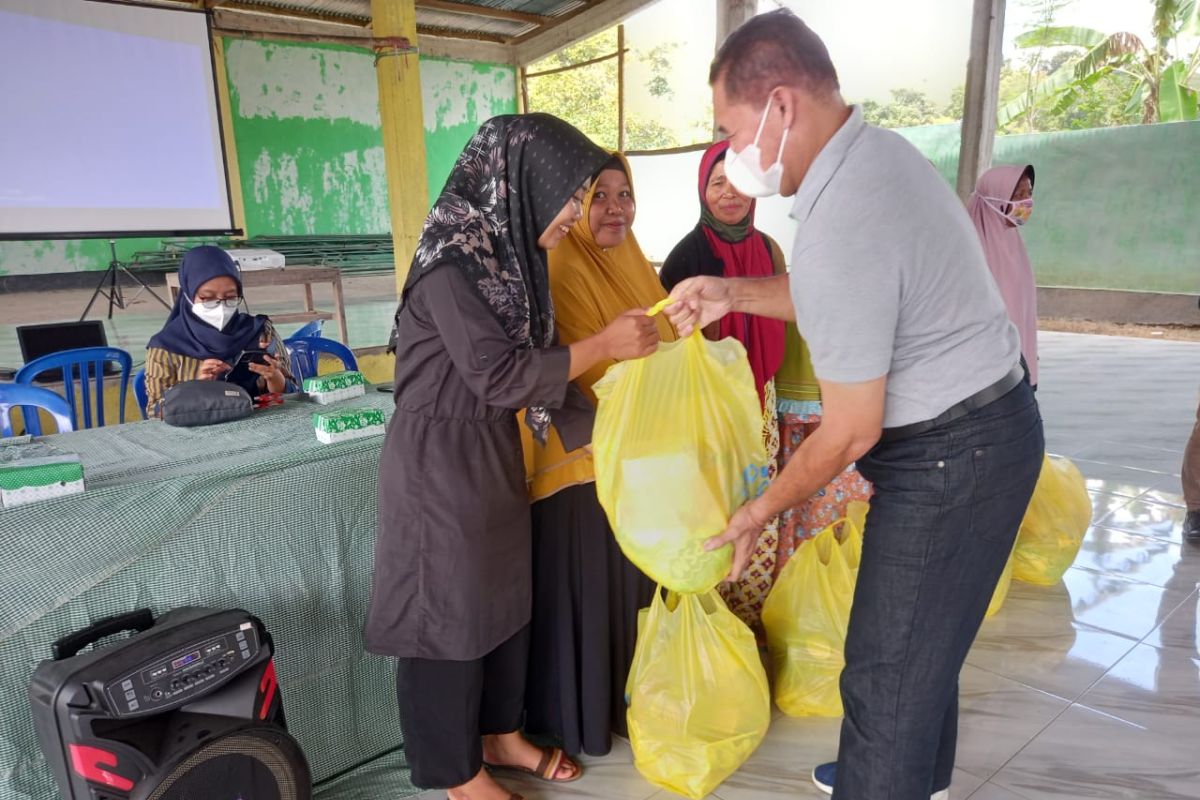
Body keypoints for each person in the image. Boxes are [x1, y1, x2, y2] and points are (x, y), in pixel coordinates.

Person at [664, 10, 1044, 800]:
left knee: (884, 674)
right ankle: (910, 777)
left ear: (781, 105)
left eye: (732, 132)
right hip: (984, 434)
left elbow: (847, 430)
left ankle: (884, 778)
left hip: (953, 455)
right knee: (920, 651)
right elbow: (847, 298)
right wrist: (730, 291)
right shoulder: (878, 159)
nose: (734, 162)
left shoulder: (846, 212)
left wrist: (756, 511)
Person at [364, 115, 659, 800]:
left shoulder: (511, 264)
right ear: (517, 186)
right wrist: (606, 346)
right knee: (445, 611)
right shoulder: (451, 265)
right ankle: (455, 772)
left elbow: (531, 379)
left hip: (493, 449)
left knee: (502, 600)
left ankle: (499, 732)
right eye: (569, 197)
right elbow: (500, 375)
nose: (574, 215)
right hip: (439, 459)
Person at [660, 140, 871, 629]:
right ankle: (710, 620)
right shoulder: (686, 257)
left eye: (738, 183)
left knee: (756, 500)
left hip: (762, 396)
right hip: (708, 408)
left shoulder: (768, 248)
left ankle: (751, 617)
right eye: (717, 183)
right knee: (712, 508)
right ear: (702, 191)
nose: (729, 194)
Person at [521, 152, 673, 757]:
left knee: (627, 588)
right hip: (578, 461)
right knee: (587, 587)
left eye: (624, 193)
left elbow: (671, 348)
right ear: (572, 202)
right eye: (598, 195)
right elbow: (592, 368)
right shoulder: (558, 265)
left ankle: (624, 706)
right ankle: (576, 719)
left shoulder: (635, 263)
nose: (615, 208)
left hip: (637, 458)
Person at [144, 245, 291, 416]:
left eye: (230, 297)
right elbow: (155, 412)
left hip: (262, 425)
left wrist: (275, 379)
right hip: (199, 437)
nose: (221, 307)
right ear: (188, 294)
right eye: (207, 298)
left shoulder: (259, 331)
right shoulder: (166, 347)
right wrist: (195, 389)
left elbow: (292, 395)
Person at [968, 165, 1038, 387]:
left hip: (1016, 366)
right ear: (994, 199)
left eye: (1029, 194)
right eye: (1018, 195)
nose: (1026, 203)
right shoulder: (970, 247)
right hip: (984, 376)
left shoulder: (1012, 242)